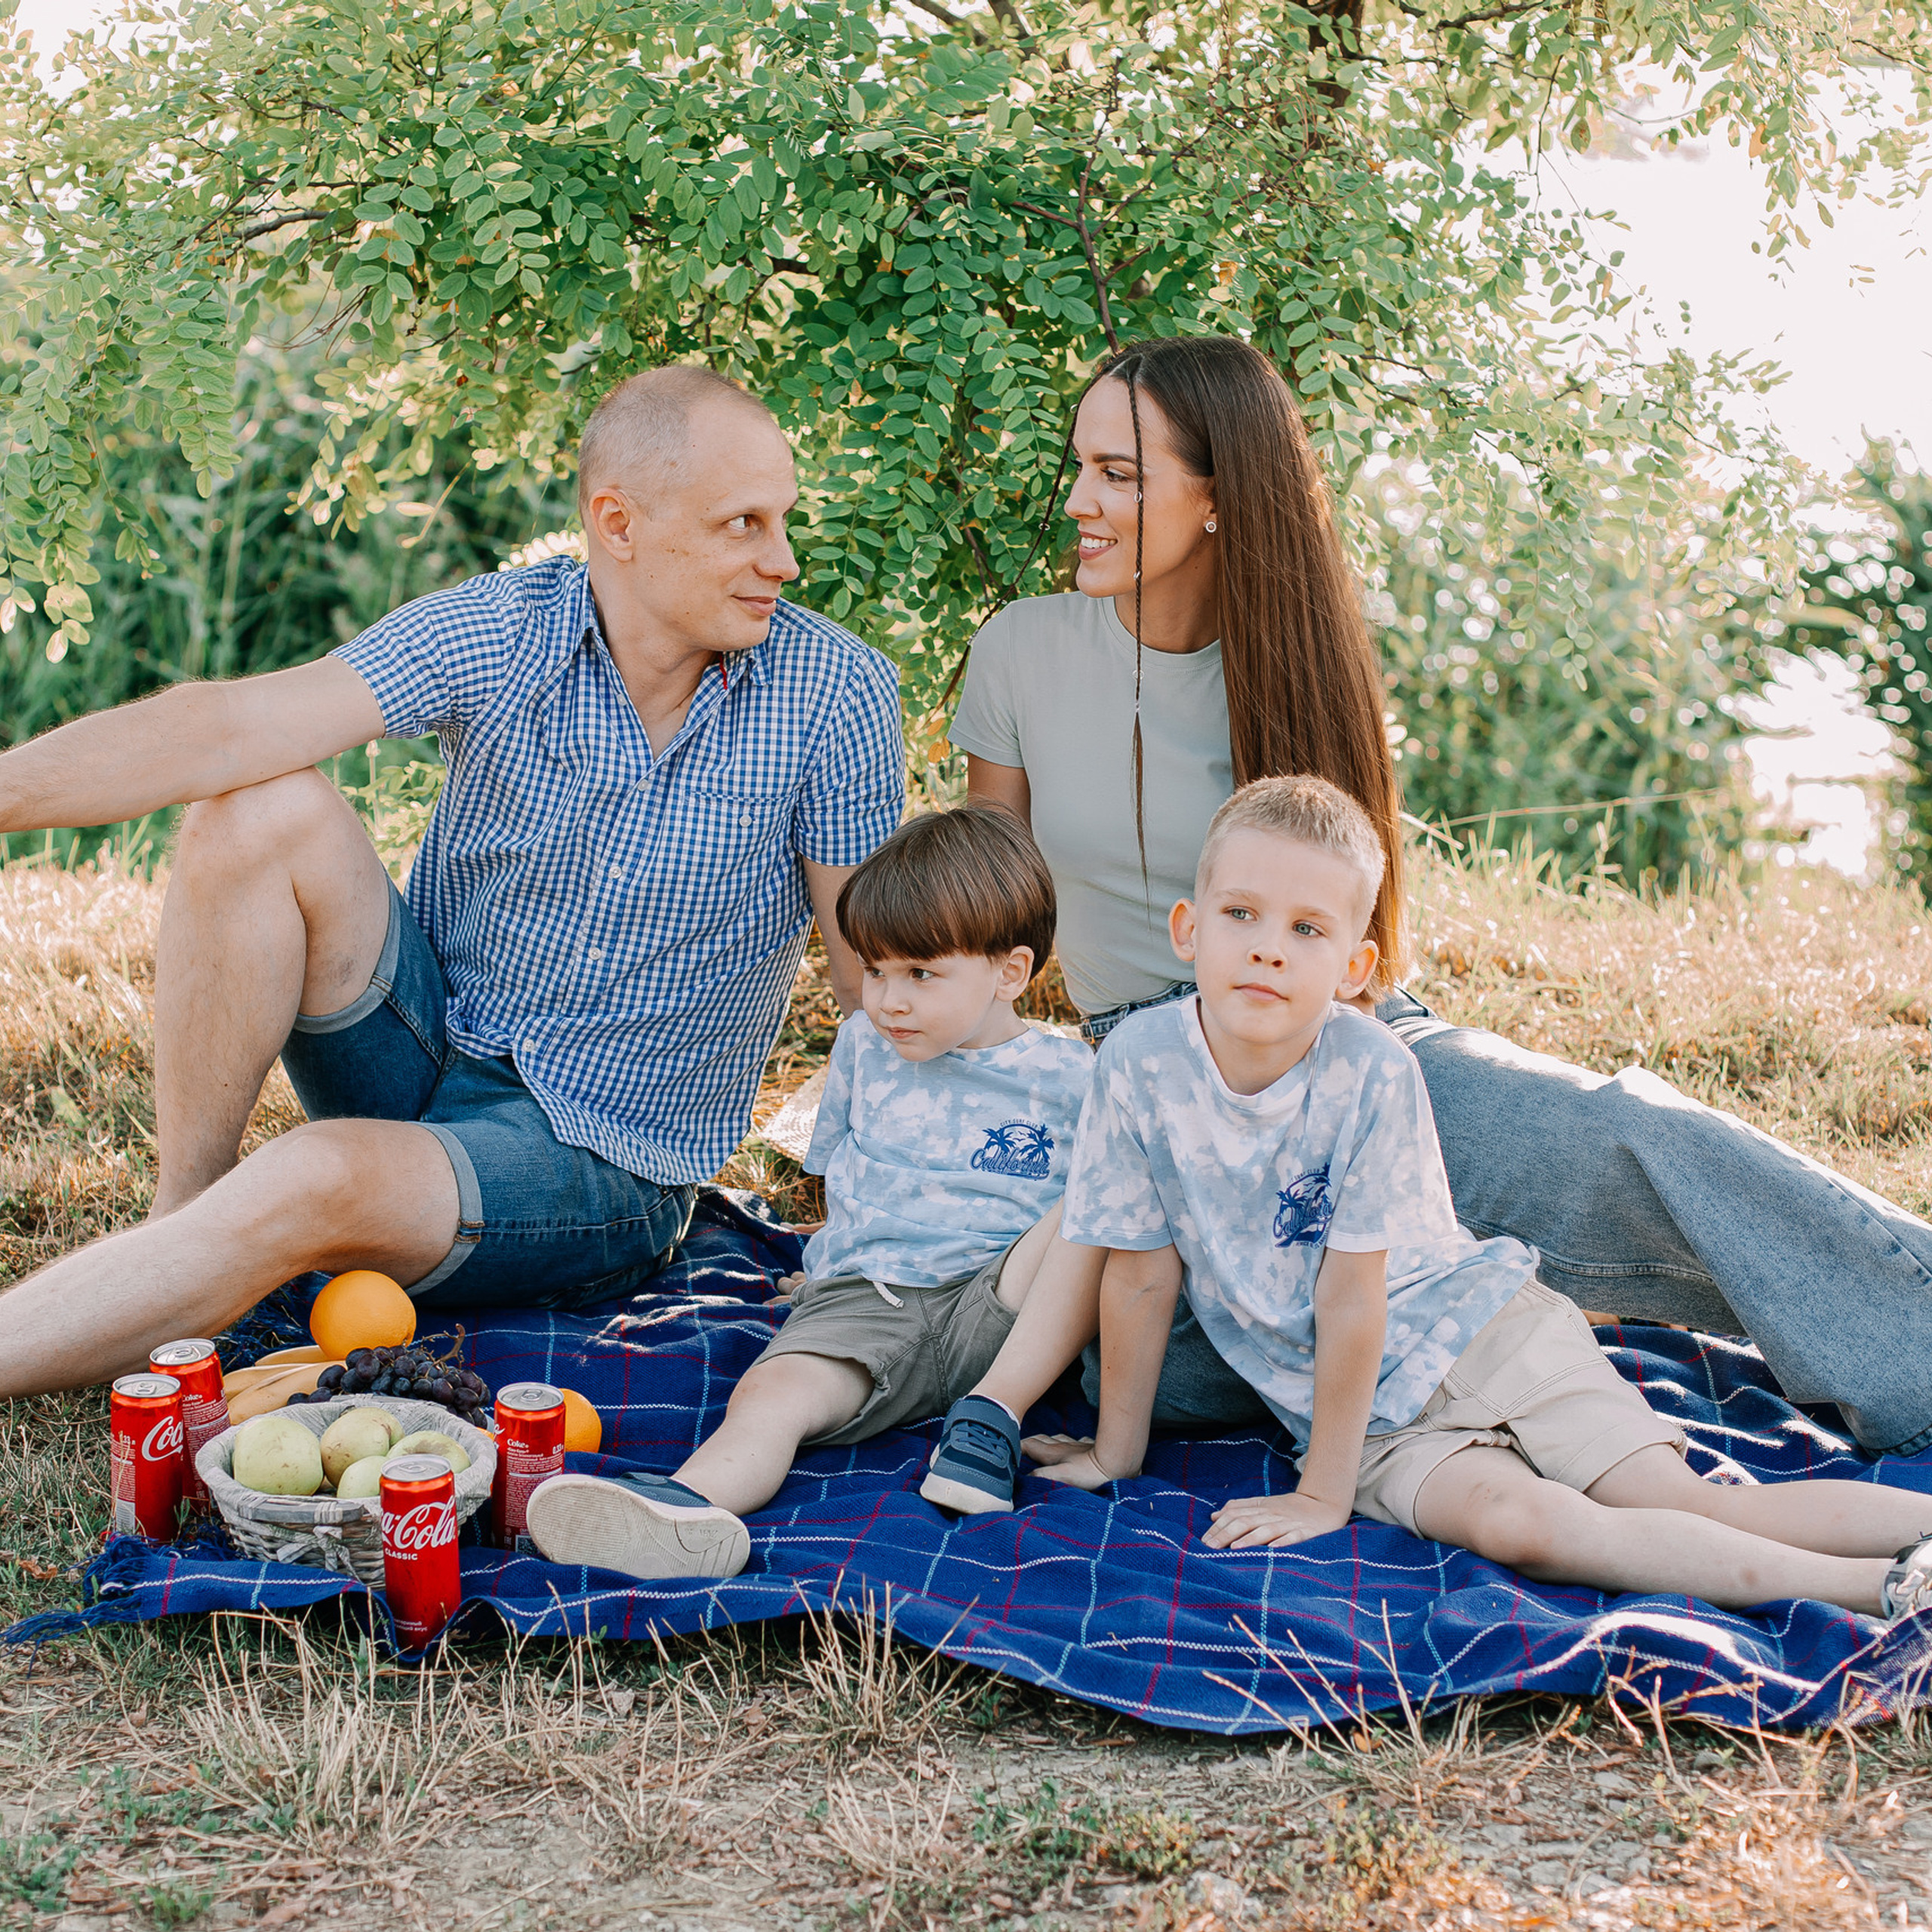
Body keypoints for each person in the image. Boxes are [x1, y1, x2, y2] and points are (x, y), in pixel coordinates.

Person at [947, 332, 1932, 1458]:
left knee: (1617, 1132)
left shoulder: (1294, 658)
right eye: (1079, 467)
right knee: (1160, 1364)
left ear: (1221, 497)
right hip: (1150, 1073)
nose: (1080, 499)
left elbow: (1357, 939)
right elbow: (995, 930)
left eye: (1120, 474)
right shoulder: (1021, 652)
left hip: (1339, 1039)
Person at [0, 365, 904, 1395]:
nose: (783, 559)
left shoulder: (836, 694)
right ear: (619, 523)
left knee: (315, 1169)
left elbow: (873, 988)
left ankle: (206, 1255)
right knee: (257, 805)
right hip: (431, 1052)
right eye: (743, 523)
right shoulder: (507, 626)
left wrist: (899, 1230)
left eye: (783, 519)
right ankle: (183, 1233)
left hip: (604, 1161)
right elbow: (228, 725)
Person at [924, 777, 1932, 1620]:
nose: (1267, 947)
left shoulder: (1370, 1071)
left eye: (1307, 928)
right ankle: (1888, 1591)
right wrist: (1116, 1451)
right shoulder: (1139, 1067)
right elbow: (1139, 1274)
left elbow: (1353, 1296)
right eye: (1241, 915)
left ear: (1356, 968)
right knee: (1524, 1531)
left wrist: (1322, 1495)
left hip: (1489, 1337)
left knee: (1681, 1498)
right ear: (1189, 930)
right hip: (1376, 1422)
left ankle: (1891, 1575)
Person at [524, 807, 1098, 1579]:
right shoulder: (866, 1043)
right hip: (865, 1303)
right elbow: (842, 1169)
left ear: (1010, 972)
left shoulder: (1072, 1078)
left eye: (921, 973)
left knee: (1090, 1207)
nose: (889, 999)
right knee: (772, 1393)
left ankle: (987, 1417)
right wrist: (826, 1266)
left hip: (996, 1305)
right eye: (876, 969)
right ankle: (685, 1510)